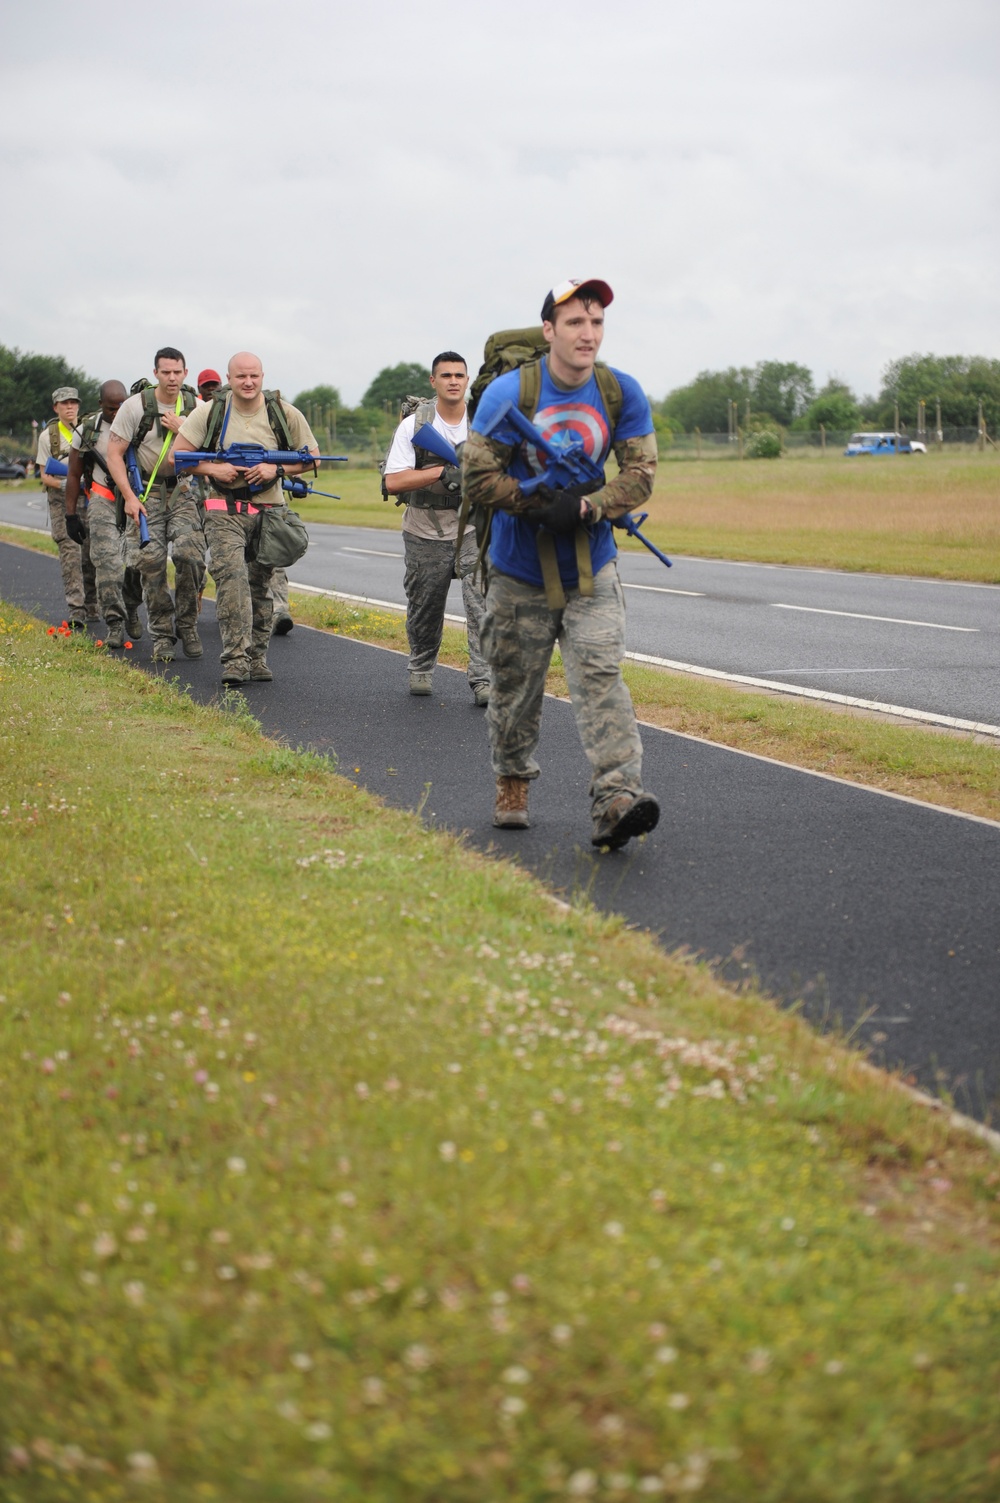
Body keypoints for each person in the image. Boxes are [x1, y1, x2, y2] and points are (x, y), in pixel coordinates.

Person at [462, 278, 660, 850]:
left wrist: (586, 507)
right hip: (517, 571)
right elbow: (476, 476)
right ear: (549, 330)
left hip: (592, 566)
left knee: (600, 678)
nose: (588, 333)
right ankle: (512, 781)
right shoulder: (510, 393)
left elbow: (641, 474)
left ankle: (617, 798)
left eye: (596, 322)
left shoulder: (619, 391)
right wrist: (535, 502)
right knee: (514, 688)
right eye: (575, 322)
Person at [172, 351, 320, 685]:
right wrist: (213, 469)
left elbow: (314, 458)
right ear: (229, 379)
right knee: (231, 579)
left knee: (259, 585)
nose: (248, 382)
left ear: (263, 377)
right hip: (223, 509)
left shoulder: (284, 413)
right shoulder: (210, 412)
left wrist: (275, 469)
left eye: (254, 376)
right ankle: (235, 660)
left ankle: (257, 658)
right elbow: (175, 457)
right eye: (241, 376)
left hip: (269, 511)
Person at [382, 352, 489, 703]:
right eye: (446, 375)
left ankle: (483, 679)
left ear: (467, 380)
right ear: (433, 381)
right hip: (425, 529)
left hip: (474, 528)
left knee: (483, 603)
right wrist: (442, 472)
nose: (453, 381)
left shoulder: (483, 423)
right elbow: (393, 482)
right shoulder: (415, 425)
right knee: (425, 607)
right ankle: (421, 667)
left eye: (459, 375)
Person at [105, 348, 206, 664]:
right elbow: (114, 454)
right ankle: (162, 635)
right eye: (166, 372)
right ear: (156, 373)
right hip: (145, 494)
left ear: (185, 373)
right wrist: (129, 497)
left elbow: (214, 449)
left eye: (177, 372)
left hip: (181, 492)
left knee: (191, 556)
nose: (172, 378)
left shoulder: (197, 408)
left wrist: (183, 429)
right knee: (151, 564)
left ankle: (187, 624)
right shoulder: (135, 407)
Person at [64, 380, 144, 648]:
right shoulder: (88, 430)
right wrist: (71, 515)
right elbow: (73, 474)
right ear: (101, 405)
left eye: (122, 405)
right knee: (107, 563)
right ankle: (114, 622)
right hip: (103, 499)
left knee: (137, 563)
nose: (118, 411)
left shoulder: (139, 423)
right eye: (111, 408)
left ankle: (131, 606)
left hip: (135, 501)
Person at [35, 385, 98, 629]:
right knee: (70, 553)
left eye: (73, 402)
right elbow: (45, 476)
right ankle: (76, 609)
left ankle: (92, 604)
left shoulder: (87, 431)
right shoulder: (48, 437)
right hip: (61, 499)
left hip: (88, 497)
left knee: (91, 552)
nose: (70, 407)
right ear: (56, 408)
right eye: (64, 403)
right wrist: (69, 484)